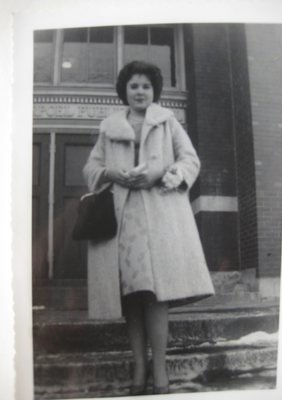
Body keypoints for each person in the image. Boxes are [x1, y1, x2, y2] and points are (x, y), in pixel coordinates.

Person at [83, 61, 215, 395]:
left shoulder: (167, 123)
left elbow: (190, 160)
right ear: (124, 91)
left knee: (157, 295)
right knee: (132, 297)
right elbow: (91, 168)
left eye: (145, 85)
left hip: (160, 218)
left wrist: (161, 174)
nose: (140, 91)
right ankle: (139, 368)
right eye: (133, 86)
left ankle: (160, 372)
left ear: (154, 90)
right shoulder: (109, 128)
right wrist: (112, 174)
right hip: (124, 222)